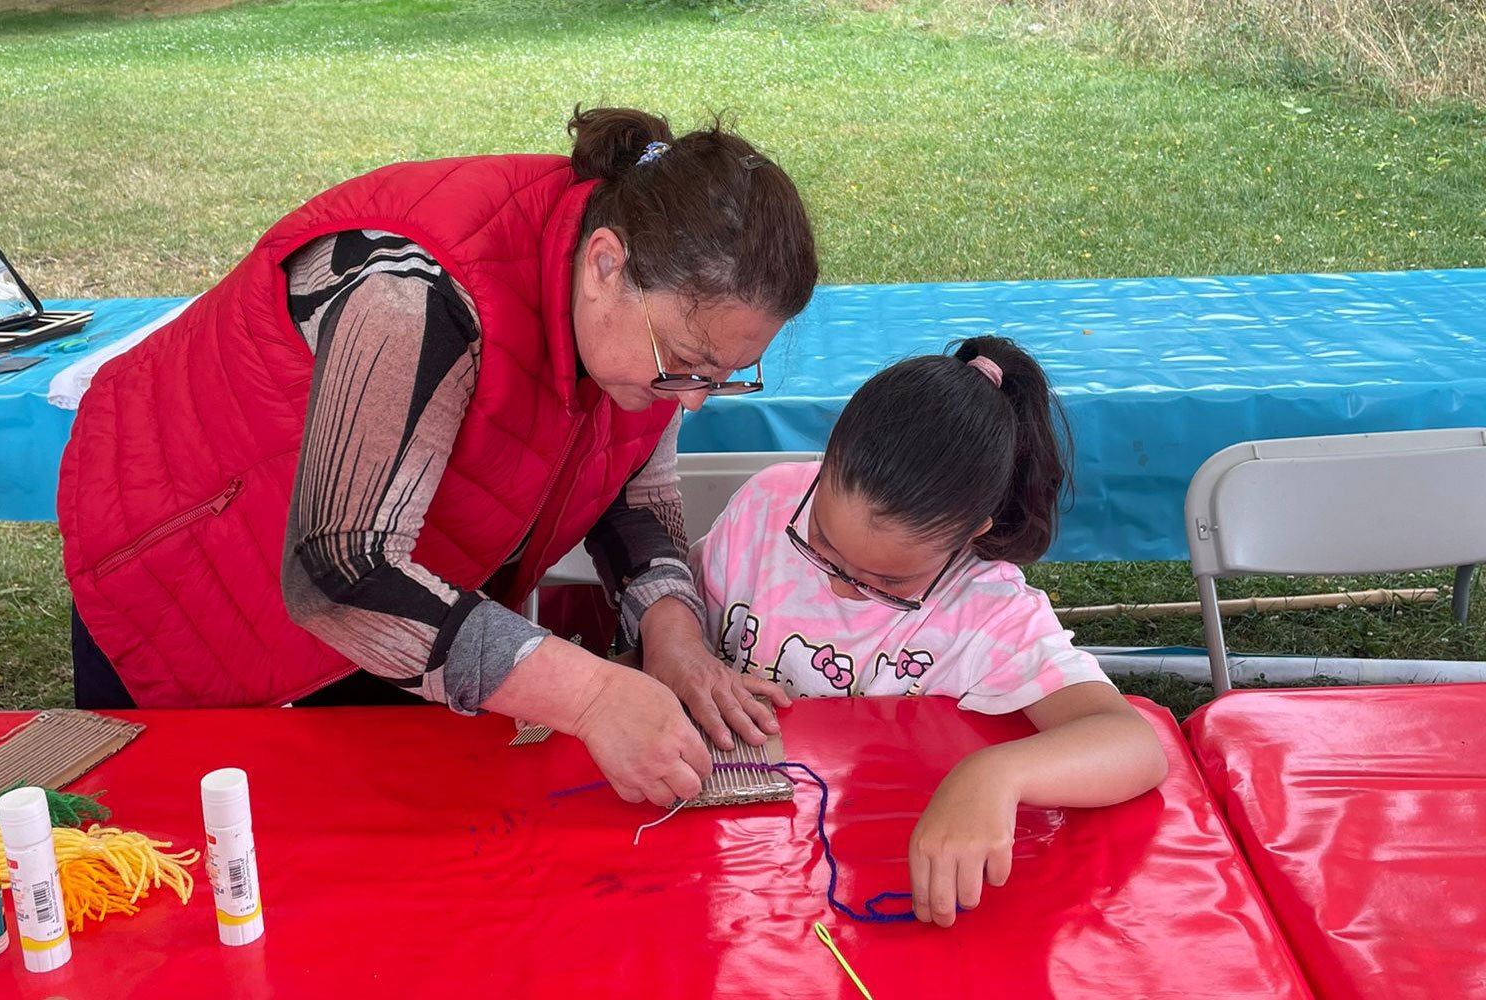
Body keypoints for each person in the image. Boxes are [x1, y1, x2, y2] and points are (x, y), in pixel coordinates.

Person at [57, 106, 816, 809]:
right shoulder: (408, 293)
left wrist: (673, 638)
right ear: (604, 264)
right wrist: (589, 695)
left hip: (403, 594)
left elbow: (629, 489)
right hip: (194, 575)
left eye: (721, 376)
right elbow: (341, 573)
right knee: (200, 863)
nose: (691, 400)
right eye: (685, 364)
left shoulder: (641, 327)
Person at [692, 336, 1169, 925]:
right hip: (738, 861)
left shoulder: (985, 610)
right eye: (822, 544)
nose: (841, 588)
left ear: (970, 534)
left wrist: (996, 774)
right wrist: (694, 665)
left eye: (887, 580)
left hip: (876, 869)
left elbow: (1135, 746)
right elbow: (678, 629)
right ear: (825, 464)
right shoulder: (766, 506)